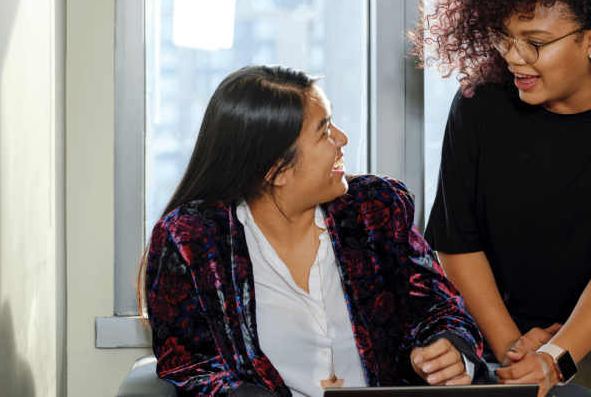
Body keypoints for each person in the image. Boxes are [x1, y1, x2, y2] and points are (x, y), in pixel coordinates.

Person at [139, 65, 486, 397]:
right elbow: (193, 368)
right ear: (276, 170)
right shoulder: (192, 240)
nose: (342, 138)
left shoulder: (375, 211)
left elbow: (441, 310)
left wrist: (449, 348)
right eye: (325, 129)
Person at [414, 0, 591, 396]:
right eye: (503, 36)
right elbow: (458, 242)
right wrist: (516, 352)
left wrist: (555, 355)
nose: (512, 56)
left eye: (534, 43)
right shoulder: (481, 102)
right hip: (504, 343)